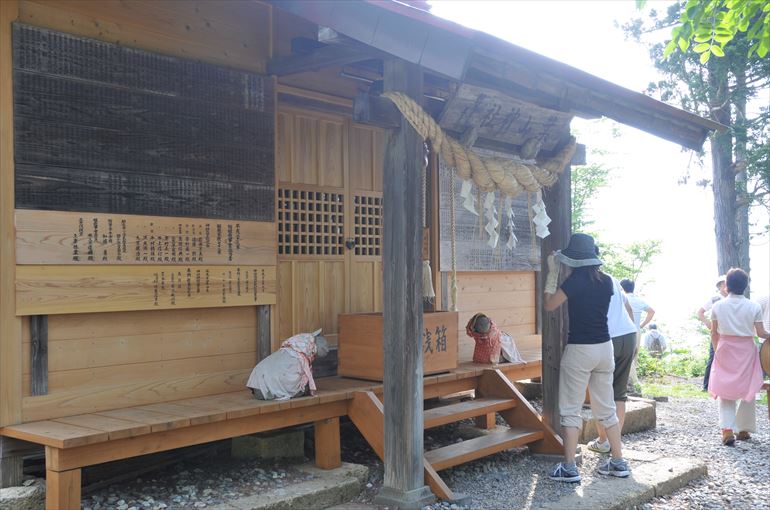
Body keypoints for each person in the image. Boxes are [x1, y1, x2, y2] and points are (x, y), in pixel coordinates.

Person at [544, 233, 630, 482]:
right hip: (605, 348)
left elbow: (550, 304)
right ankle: (618, 461)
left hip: (580, 349)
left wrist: (552, 272)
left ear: (572, 259)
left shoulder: (574, 282)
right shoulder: (606, 281)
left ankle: (569, 468)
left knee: (571, 409)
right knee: (607, 408)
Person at [708, 268, 767, 445]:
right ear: (746, 285)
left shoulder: (717, 306)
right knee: (748, 389)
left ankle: (727, 430)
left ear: (727, 285)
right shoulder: (754, 306)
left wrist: (717, 350)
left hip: (725, 348)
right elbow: (761, 333)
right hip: (747, 349)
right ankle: (743, 429)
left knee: (725, 389)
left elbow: (713, 333)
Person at [587, 275, 637, 455]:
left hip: (607, 337)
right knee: (619, 393)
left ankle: (603, 441)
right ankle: (615, 441)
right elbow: (628, 308)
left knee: (600, 392)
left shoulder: (587, 280)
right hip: (629, 335)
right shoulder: (613, 279)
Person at [246, 329, 329, 400]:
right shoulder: (300, 360)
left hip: (255, 382)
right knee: (302, 389)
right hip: (265, 390)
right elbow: (294, 387)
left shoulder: (291, 346)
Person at [619, 279, 655, 390]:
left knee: (623, 356)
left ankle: (628, 382)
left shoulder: (621, 299)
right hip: (636, 330)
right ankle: (632, 382)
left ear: (622, 287)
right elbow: (651, 311)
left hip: (623, 330)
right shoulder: (639, 300)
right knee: (634, 356)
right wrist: (642, 325)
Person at [698, 275, 728, 391]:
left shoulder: (732, 298)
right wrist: (708, 324)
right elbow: (700, 312)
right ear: (720, 286)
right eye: (723, 283)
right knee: (713, 357)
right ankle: (706, 386)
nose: (726, 286)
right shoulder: (715, 298)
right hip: (717, 332)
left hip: (728, 332)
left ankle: (721, 384)